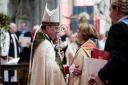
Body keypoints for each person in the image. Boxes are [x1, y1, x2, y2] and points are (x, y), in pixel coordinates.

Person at [30, 3, 66, 85]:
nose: (58, 31)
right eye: (56, 28)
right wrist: (60, 60)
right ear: (48, 28)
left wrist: (56, 56)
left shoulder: (42, 40)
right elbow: (52, 71)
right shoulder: (45, 45)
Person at [94, 0, 128, 85]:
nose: (109, 14)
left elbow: (118, 57)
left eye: (110, 10)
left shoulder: (118, 28)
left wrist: (101, 76)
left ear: (116, 9)